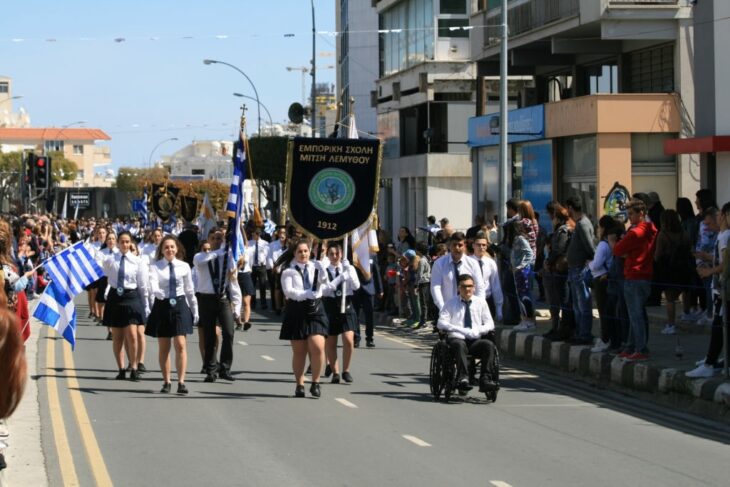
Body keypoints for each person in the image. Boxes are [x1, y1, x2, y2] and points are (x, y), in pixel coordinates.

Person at [146, 235, 199, 394]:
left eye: (172, 247)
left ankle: (181, 381)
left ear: (177, 249)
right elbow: (153, 283)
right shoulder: (155, 266)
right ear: (161, 250)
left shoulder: (184, 266)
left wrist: (194, 309)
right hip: (162, 304)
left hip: (180, 304)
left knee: (181, 344)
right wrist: (156, 291)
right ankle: (166, 381)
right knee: (164, 347)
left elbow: (189, 290)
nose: (169, 249)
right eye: (166, 247)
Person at [279, 239, 331, 397]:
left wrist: (322, 271)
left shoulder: (316, 266)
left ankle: (315, 382)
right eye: (300, 251)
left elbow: (325, 283)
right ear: (294, 253)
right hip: (297, 310)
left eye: (306, 251)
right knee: (299, 351)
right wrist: (306, 294)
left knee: (318, 346)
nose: (303, 254)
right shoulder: (288, 271)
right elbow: (289, 292)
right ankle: (299, 384)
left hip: (316, 309)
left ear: (310, 252)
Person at [97, 231, 149, 381]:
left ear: (131, 243)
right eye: (122, 242)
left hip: (131, 296)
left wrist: (146, 304)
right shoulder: (110, 259)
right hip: (115, 297)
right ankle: (121, 368)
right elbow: (103, 273)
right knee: (117, 336)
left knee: (132, 334)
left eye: (127, 242)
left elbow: (142, 284)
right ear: (118, 243)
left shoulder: (138, 261)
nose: (125, 245)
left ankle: (133, 367)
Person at [687, 202, 730, 377]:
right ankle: (716, 360)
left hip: (723, 287)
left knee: (719, 325)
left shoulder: (726, 236)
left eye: (722, 214)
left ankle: (710, 362)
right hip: (720, 286)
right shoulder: (722, 235)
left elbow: (725, 264)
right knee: (720, 325)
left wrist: (709, 271)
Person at [193, 228, 242, 383]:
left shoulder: (227, 258)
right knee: (209, 336)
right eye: (213, 238)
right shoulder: (200, 256)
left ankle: (225, 368)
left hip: (222, 299)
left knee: (228, 332)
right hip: (206, 299)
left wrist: (237, 306)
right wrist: (219, 253)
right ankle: (211, 369)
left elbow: (233, 281)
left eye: (220, 238)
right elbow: (201, 261)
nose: (216, 241)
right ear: (208, 239)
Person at [612, 199, 657, 361]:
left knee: (635, 315)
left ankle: (640, 348)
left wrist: (619, 246)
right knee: (637, 314)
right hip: (645, 275)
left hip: (633, 275)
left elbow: (617, 250)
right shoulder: (651, 229)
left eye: (631, 214)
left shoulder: (635, 233)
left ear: (641, 214)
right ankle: (632, 346)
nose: (629, 217)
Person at [436, 274, 497, 393]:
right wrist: (459, 329)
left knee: (489, 345)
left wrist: (478, 330)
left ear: (474, 287)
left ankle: (485, 379)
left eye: (470, 286)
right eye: (464, 286)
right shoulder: (451, 303)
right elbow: (441, 323)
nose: (467, 289)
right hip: (457, 339)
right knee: (459, 345)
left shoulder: (481, 302)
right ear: (459, 288)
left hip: (475, 340)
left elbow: (490, 323)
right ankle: (463, 377)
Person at [321, 242, 360, 384]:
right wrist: (339, 278)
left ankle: (346, 370)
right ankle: (336, 372)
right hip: (331, 305)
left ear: (341, 254)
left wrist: (349, 272)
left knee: (348, 339)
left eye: (337, 253)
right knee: (331, 341)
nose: (334, 256)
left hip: (346, 304)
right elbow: (324, 290)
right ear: (328, 255)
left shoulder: (348, 268)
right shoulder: (324, 270)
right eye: (331, 254)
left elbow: (356, 286)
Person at [653, 209, 694, 335]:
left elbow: (657, 255)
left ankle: (671, 324)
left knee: (670, 299)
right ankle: (687, 313)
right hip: (684, 268)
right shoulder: (684, 233)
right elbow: (689, 249)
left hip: (669, 269)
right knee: (685, 291)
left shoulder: (663, 235)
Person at [565, 196, 596, 345]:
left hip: (579, 269)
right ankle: (579, 333)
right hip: (574, 269)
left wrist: (591, 261)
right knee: (577, 304)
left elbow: (590, 247)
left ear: (570, 208)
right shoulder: (579, 224)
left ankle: (584, 334)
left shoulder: (583, 224)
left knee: (583, 304)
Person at [542, 204, 575, 341]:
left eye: (554, 217)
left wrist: (549, 261)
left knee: (564, 301)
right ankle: (560, 328)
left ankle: (566, 330)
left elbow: (558, 249)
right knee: (562, 301)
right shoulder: (566, 229)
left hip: (560, 269)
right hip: (560, 269)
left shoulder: (563, 231)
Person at [431, 232, 485, 314]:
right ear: (449, 246)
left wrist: (479, 307)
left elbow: (479, 287)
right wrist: (442, 307)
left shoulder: (473, 263)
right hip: (447, 309)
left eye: (460, 245)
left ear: (465, 245)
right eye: (454, 245)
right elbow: (435, 287)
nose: (457, 248)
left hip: (469, 309)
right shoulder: (439, 264)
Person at [589, 216, 616, 351]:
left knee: (604, 311)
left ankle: (605, 339)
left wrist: (589, 264)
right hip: (607, 278)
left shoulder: (603, 245)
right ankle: (608, 338)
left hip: (600, 279)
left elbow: (596, 264)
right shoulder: (610, 242)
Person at [507, 220, 535, 331]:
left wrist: (520, 266)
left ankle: (528, 320)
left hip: (522, 272)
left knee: (524, 296)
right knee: (520, 296)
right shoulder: (516, 239)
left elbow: (529, 253)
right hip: (517, 271)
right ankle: (524, 320)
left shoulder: (520, 239)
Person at [469, 231, 503, 322]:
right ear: (473, 245)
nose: (481, 247)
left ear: (487, 246)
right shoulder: (467, 262)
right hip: (472, 301)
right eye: (478, 245)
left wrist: (499, 309)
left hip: (488, 300)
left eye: (483, 245)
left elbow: (495, 285)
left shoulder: (490, 262)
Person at [352, 249, 383, 348]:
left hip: (369, 289)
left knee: (369, 315)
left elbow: (376, 271)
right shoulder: (353, 253)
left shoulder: (372, 255)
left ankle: (370, 338)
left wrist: (380, 289)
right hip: (355, 289)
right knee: (355, 315)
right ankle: (356, 338)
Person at [248, 228, 269, 310]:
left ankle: (263, 303)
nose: (253, 235)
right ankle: (253, 303)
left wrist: (267, 265)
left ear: (258, 234)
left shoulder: (265, 243)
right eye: (253, 234)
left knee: (262, 285)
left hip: (261, 266)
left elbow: (267, 255)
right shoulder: (249, 243)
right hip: (252, 266)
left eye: (255, 234)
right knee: (252, 285)